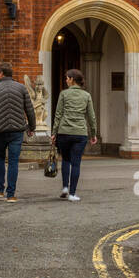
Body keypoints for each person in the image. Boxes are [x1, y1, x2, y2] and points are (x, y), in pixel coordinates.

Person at [0, 62, 36, 202]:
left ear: (1, 73)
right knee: (13, 162)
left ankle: (0, 190)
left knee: (0, 158)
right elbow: (29, 110)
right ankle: (11, 194)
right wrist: (31, 127)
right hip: (17, 130)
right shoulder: (21, 88)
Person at [52, 69, 97, 201]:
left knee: (65, 159)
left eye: (67, 78)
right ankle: (72, 194)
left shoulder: (63, 94)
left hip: (64, 132)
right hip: (80, 133)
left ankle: (65, 187)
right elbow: (91, 117)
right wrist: (93, 134)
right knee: (76, 163)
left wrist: (54, 133)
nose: (66, 80)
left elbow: (58, 114)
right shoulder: (86, 96)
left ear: (72, 79)